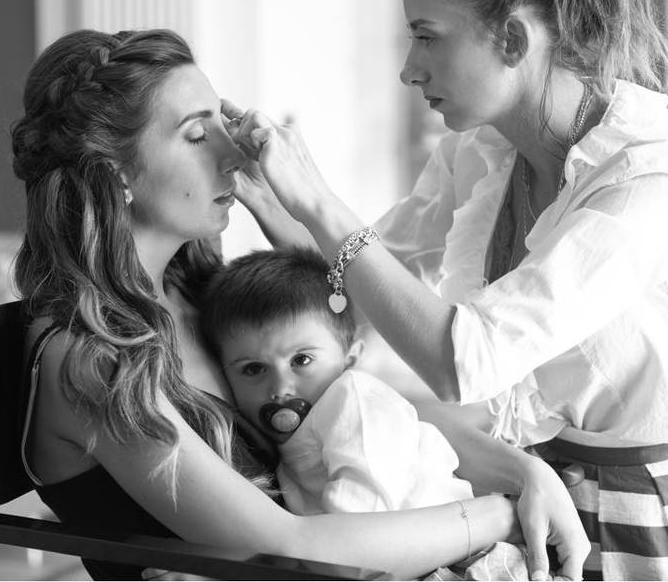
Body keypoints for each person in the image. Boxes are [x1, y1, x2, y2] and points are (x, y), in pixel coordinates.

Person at [11, 27, 587, 581]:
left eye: (224, 123)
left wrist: (524, 471)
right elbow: (293, 550)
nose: (232, 155)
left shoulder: (202, 298)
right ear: (115, 177)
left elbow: (366, 408)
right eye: (195, 135)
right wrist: (498, 512)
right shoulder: (88, 359)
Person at [223, 0, 667, 579]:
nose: (408, 69)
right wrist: (273, 204)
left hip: (638, 507)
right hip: (529, 482)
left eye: (427, 37)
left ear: (512, 38)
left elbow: (466, 361)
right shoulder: (483, 148)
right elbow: (362, 289)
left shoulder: (645, 177)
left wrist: (317, 197)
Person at [200, 247, 530, 580]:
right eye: (253, 369)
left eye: (301, 360)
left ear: (350, 357)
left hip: (464, 564)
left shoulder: (352, 400)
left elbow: (356, 533)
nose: (280, 387)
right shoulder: (288, 433)